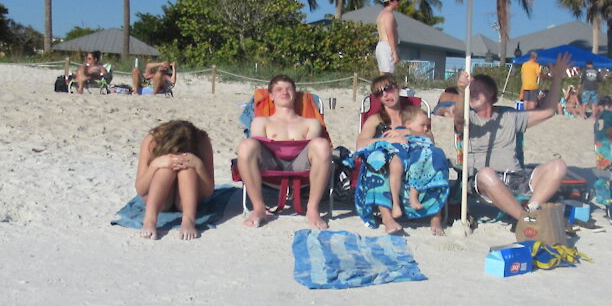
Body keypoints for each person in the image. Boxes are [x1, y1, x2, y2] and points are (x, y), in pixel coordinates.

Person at [454, 52, 571, 225]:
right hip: (484, 182)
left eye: (478, 90)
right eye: (471, 90)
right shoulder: (468, 118)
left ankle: (531, 209)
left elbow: (548, 111)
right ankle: (526, 221)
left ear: (491, 92)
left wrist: (558, 78)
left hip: (517, 178)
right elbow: (458, 119)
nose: (473, 93)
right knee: (487, 174)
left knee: (558, 166)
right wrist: (461, 92)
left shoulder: (509, 115)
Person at [236, 75, 333, 230]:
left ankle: (312, 209)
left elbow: (312, 151)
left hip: (301, 166)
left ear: (295, 94)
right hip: (270, 165)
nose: (284, 92)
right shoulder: (262, 122)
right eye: (279, 89)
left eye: (289, 88)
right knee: (247, 145)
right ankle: (259, 208)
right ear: (271, 96)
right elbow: (258, 148)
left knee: (321, 144)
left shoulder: (311, 123)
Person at [354, 105, 448, 235]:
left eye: (390, 89)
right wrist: (388, 139)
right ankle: (388, 216)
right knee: (377, 160)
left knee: (437, 158)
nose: (386, 94)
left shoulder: (416, 115)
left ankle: (436, 218)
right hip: (395, 157)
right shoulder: (377, 118)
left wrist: (410, 133)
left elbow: (430, 140)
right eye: (380, 93)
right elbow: (361, 144)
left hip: (417, 158)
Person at [133, 119, 215, 241]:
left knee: (187, 170)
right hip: (160, 199)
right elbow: (140, 189)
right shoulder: (152, 140)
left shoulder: (202, 141)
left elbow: (209, 191)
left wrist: (199, 166)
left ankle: (188, 220)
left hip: (186, 199)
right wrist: (155, 165)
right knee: (164, 170)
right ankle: (150, 220)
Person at [375, 0, 401, 74]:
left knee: (383, 74)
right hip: (387, 46)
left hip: (382, 46)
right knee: (387, 74)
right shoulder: (388, 15)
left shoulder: (382, 14)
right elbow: (390, 33)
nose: (398, 3)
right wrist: (394, 52)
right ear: (391, 1)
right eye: (397, 1)